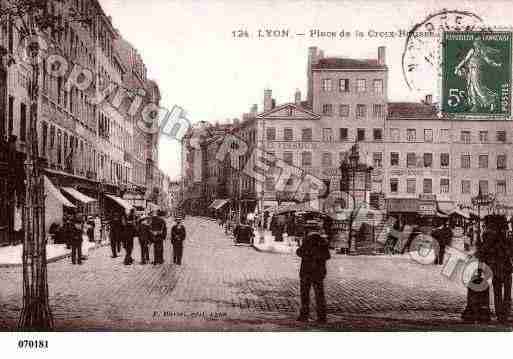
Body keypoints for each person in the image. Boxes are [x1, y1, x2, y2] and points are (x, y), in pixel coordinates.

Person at [479, 215, 512, 322]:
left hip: (496, 268)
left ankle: (501, 314)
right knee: (506, 292)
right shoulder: (506, 238)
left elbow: (483, 253)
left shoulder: (489, 237)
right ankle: (504, 314)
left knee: (498, 292)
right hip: (505, 268)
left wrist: (480, 268)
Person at [296, 231, 331, 323]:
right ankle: (322, 317)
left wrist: (308, 255)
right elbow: (327, 256)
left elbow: (299, 252)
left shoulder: (307, 241)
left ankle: (304, 315)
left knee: (305, 295)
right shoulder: (323, 243)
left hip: (306, 272)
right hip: (318, 273)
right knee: (319, 295)